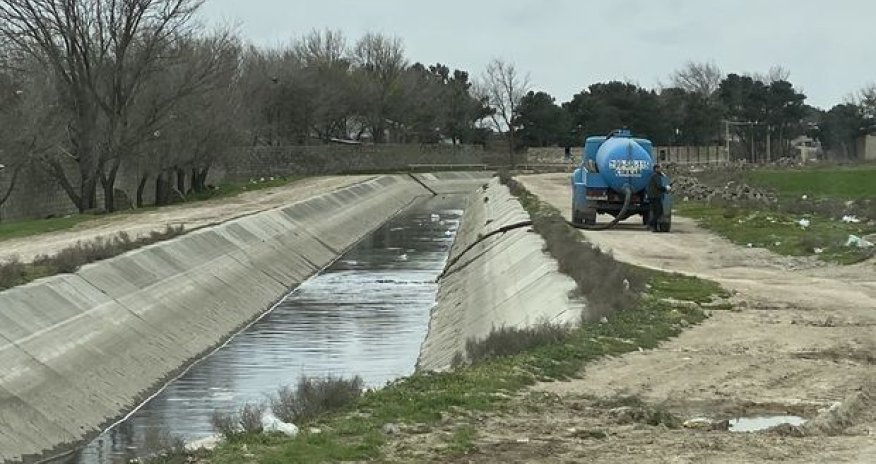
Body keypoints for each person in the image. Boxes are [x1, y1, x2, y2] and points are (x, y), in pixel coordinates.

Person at [646, 163, 670, 231]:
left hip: (653, 196)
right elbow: (659, 186)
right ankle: (651, 224)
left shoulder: (654, 175)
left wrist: (662, 175)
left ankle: (654, 228)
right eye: (659, 168)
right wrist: (666, 188)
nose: (661, 169)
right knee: (659, 211)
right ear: (656, 169)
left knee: (655, 211)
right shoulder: (656, 176)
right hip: (655, 196)